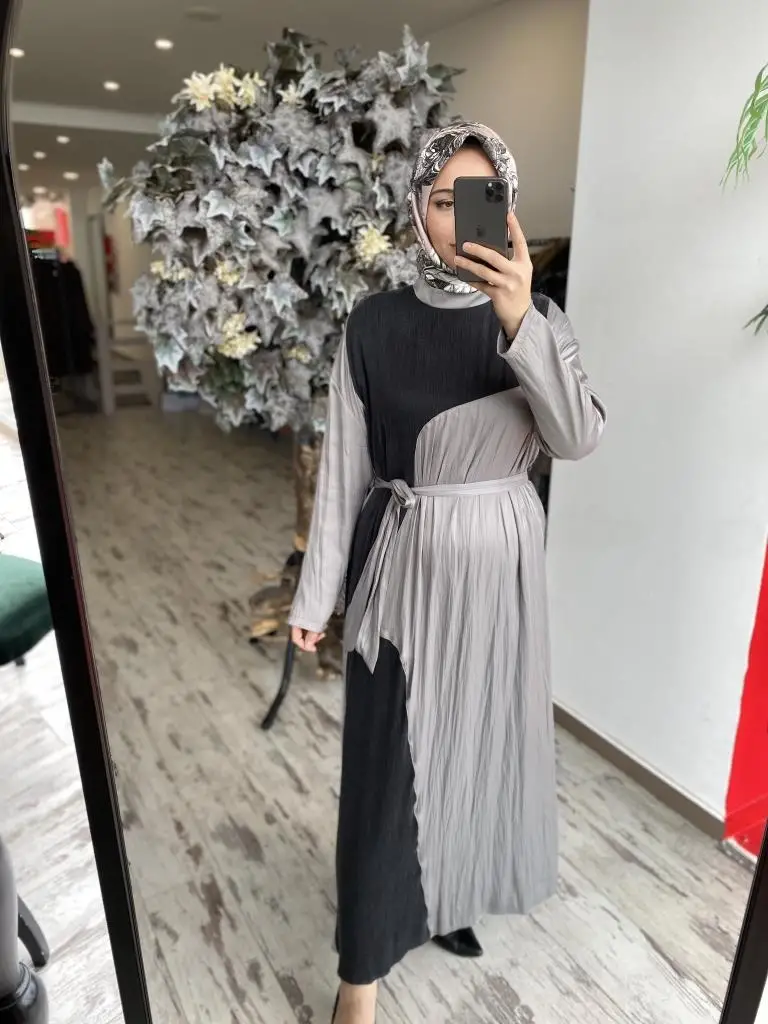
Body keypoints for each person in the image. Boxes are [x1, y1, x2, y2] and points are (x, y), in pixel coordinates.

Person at [289, 121, 606, 1024]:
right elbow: (345, 470)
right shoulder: (374, 324)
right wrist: (318, 594)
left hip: (502, 576)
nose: (462, 218)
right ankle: (360, 977)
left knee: (476, 744)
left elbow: (577, 439)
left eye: (481, 198)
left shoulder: (539, 319)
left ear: (507, 207)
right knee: (388, 764)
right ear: (417, 212)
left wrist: (520, 318)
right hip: (404, 564)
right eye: (443, 199)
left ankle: (448, 895)